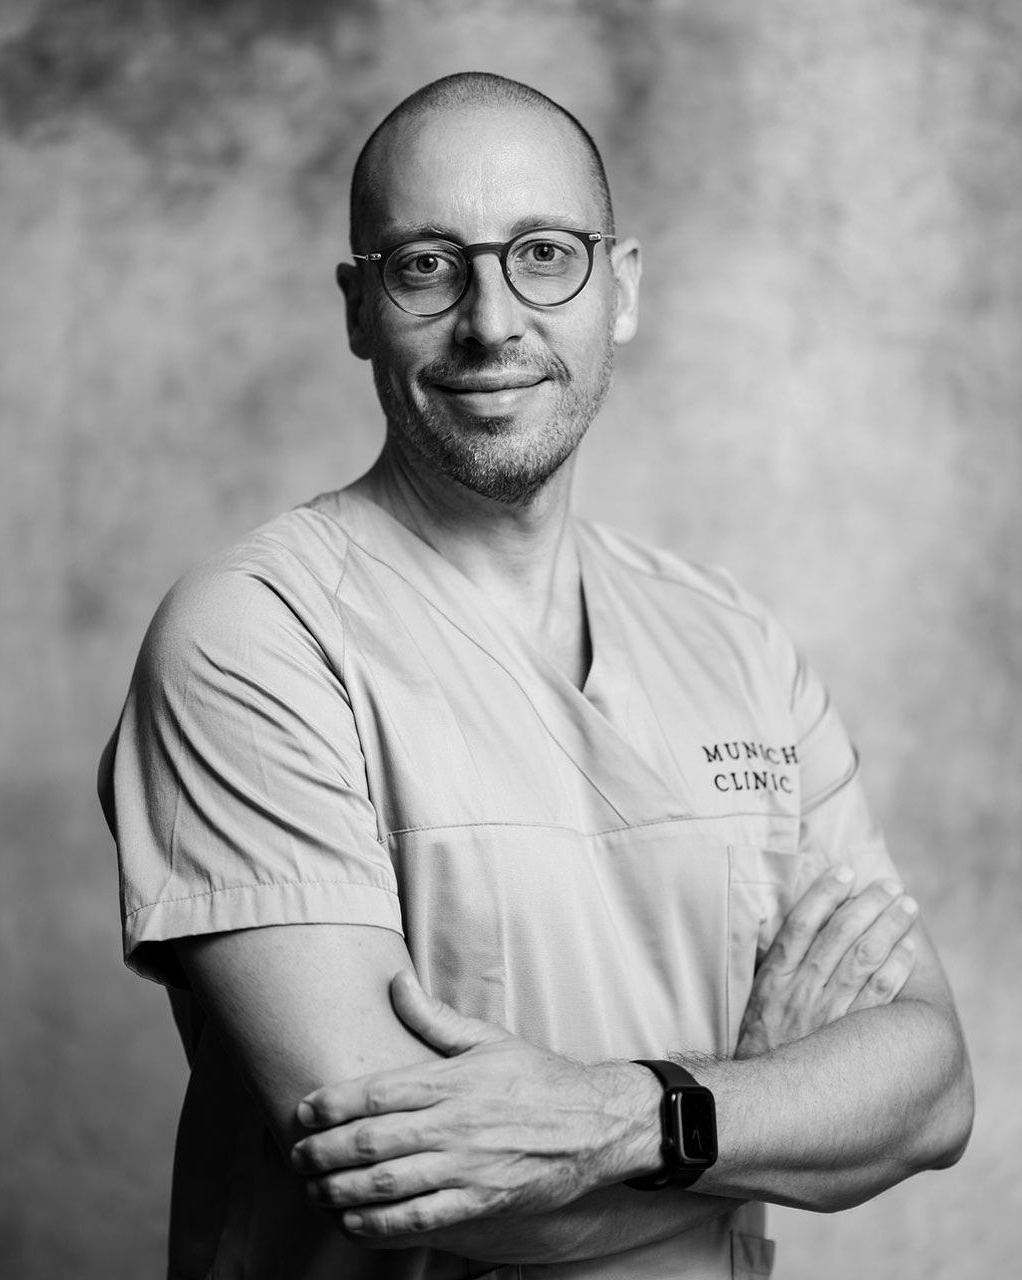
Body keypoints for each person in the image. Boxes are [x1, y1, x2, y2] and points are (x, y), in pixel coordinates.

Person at [99, 72, 973, 1280]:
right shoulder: (255, 636)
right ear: (358, 309)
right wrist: (759, 1105)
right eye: (426, 265)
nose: (492, 321)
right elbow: (409, 1179)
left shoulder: (734, 642)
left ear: (622, 288)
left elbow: (931, 1089)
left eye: (545, 255)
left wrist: (631, 1116)